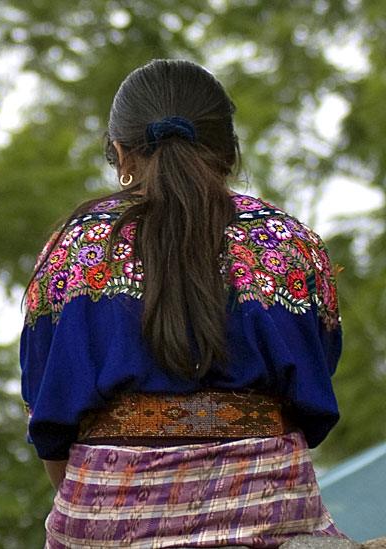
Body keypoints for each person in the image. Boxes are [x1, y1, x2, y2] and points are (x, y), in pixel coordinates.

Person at [21, 59, 346, 548]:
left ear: (120, 153)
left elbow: (47, 407)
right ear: (229, 152)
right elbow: (317, 382)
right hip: (272, 515)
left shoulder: (75, 250)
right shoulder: (288, 243)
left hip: (106, 520)